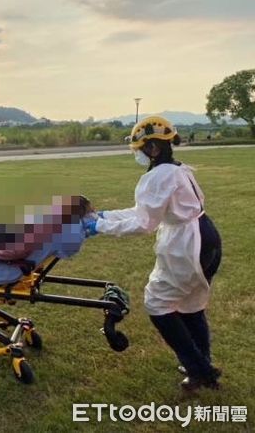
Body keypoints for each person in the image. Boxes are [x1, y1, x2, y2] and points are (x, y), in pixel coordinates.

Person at [83, 116, 222, 391]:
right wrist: (106, 216)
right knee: (190, 305)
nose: (138, 155)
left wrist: (99, 226)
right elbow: (145, 211)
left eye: (140, 149)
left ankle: (200, 369)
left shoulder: (157, 176)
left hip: (187, 243)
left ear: (154, 149)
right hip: (205, 236)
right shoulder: (177, 170)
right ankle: (200, 362)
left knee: (158, 304)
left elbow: (144, 223)